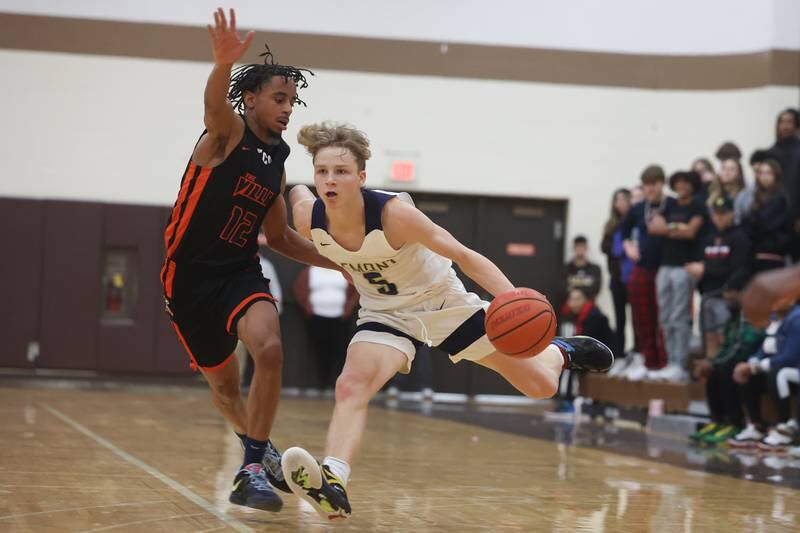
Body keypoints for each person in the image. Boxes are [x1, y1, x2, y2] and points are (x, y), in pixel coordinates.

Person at [280, 122, 613, 520]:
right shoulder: (308, 216)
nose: (330, 180)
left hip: (442, 304)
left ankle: (559, 352)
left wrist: (514, 301)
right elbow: (296, 195)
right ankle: (334, 479)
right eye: (321, 172)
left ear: (362, 177)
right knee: (351, 385)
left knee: (540, 386)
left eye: (341, 171)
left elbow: (464, 255)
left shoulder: (394, 214)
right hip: (385, 313)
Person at [160, 8, 340, 512]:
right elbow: (212, 104)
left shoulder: (277, 160)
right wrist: (222, 63)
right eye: (279, 98)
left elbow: (279, 237)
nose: (288, 109)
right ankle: (258, 449)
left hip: (239, 272)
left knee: (270, 348)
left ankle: (251, 468)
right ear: (251, 98)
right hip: (188, 280)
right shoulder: (227, 133)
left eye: (292, 101)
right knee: (224, 388)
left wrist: (342, 264)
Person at [648, 171, 705, 382]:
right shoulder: (670, 205)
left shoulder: (698, 206)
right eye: (678, 183)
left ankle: (680, 363)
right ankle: (670, 361)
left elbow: (690, 231)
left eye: (685, 183)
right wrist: (676, 228)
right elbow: (654, 227)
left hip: (684, 266)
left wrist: (669, 228)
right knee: (664, 317)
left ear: (692, 185)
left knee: (679, 317)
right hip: (665, 266)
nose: (681, 187)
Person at [690, 284, 764, 446]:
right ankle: (718, 420)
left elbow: (745, 346)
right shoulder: (733, 320)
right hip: (735, 360)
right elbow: (725, 348)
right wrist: (711, 362)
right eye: (726, 297)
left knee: (726, 369)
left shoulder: (754, 317)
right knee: (714, 371)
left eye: (731, 296)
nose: (727, 301)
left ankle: (734, 422)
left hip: (752, 360)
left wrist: (717, 362)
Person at [685, 195, 752, 361]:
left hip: (727, 297)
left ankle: (725, 370)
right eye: (716, 214)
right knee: (709, 337)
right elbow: (703, 263)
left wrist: (706, 270)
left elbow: (739, 268)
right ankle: (712, 370)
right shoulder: (708, 238)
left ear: (732, 213)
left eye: (723, 213)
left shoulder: (739, 236)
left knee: (725, 337)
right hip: (707, 296)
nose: (719, 218)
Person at [728, 300, 800, 449]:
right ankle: (756, 425)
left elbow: (790, 357)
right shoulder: (775, 319)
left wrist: (756, 367)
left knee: (778, 373)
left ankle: (785, 427)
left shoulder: (796, 318)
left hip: (794, 369)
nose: (775, 301)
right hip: (782, 367)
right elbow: (764, 349)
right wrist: (751, 363)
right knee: (746, 374)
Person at [620, 165, 668, 377]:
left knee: (662, 317)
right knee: (642, 315)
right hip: (642, 267)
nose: (650, 188)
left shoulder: (671, 205)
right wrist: (628, 246)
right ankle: (648, 360)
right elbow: (624, 229)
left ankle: (664, 362)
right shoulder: (639, 208)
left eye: (654, 184)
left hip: (664, 267)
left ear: (662, 183)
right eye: (647, 184)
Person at [293, 265, 359, 392]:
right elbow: (299, 289)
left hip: (341, 318)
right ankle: (322, 383)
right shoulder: (310, 270)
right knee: (320, 350)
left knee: (340, 351)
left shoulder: (344, 271)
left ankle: (337, 383)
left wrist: (348, 308)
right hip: (317, 317)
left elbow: (355, 291)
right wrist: (308, 308)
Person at [742, 159, 793, 274]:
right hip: (756, 254)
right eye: (761, 173)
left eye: (769, 173)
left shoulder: (780, 198)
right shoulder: (756, 197)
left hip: (773, 256)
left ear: (776, 175)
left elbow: (764, 224)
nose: (764, 177)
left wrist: (753, 220)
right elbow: (747, 225)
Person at [601, 188, 633, 356]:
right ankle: (619, 352)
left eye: (622, 199)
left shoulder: (634, 220)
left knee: (636, 318)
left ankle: (637, 351)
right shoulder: (611, 224)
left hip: (632, 276)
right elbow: (604, 247)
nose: (619, 203)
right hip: (616, 276)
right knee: (619, 318)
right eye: (616, 200)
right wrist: (617, 247)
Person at [769, 108, 800, 259]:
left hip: (795, 216)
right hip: (774, 218)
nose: (785, 126)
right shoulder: (771, 152)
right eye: (781, 122)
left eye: (789, 122)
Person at [707, 158, 753, 224]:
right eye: (723, 168)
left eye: (731, 169)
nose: (726, 172)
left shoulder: (744, 195)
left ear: (739, 174)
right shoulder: (714, 193)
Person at [564, 235, 603, 300]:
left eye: (582, 246)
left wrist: (578, 292)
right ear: (573, 248)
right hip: (570, 302)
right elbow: (562, 288)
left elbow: (596, 288)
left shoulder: (595, 269)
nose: (580, 249)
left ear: (586, 248)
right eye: (577, 246)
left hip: (588, 302)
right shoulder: (566, 268)